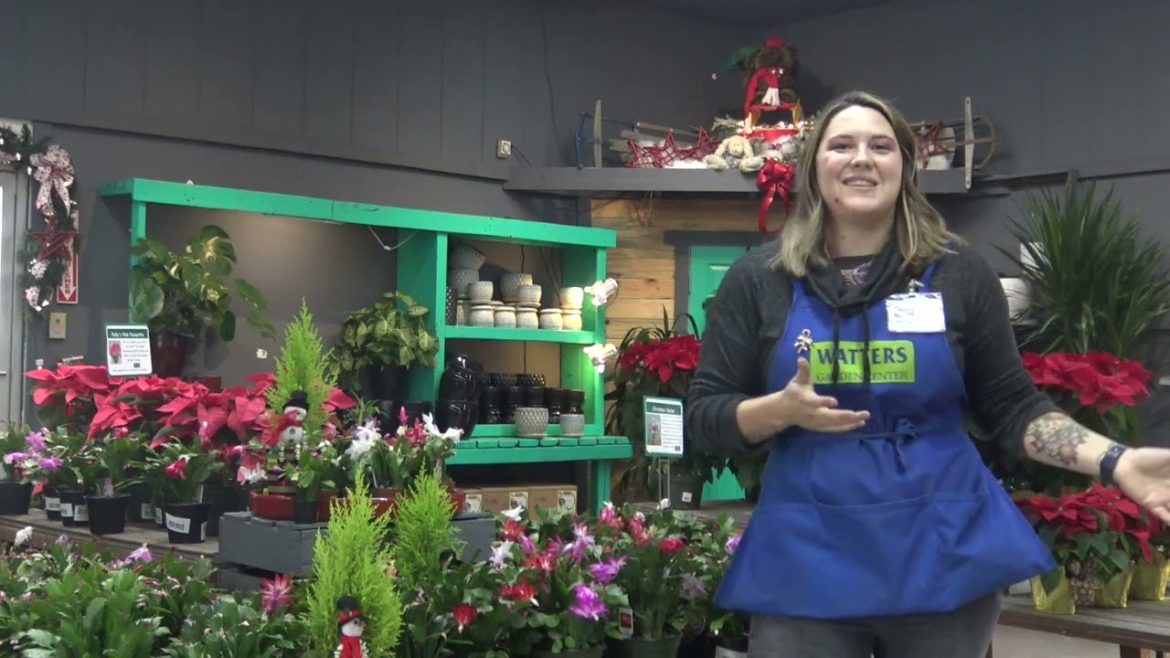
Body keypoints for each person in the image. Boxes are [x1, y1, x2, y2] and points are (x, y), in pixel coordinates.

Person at [685, 90, 1170, 658]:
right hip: (808, 554)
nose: (861, 158)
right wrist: (777, 411)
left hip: (943, 549)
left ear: (905, 167)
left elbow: (1013, 407)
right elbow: (704, 415)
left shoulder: (960, 273)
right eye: (841, 145)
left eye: (881, 146)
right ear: (813, 168)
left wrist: (1116, 460)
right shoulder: (758, 279)